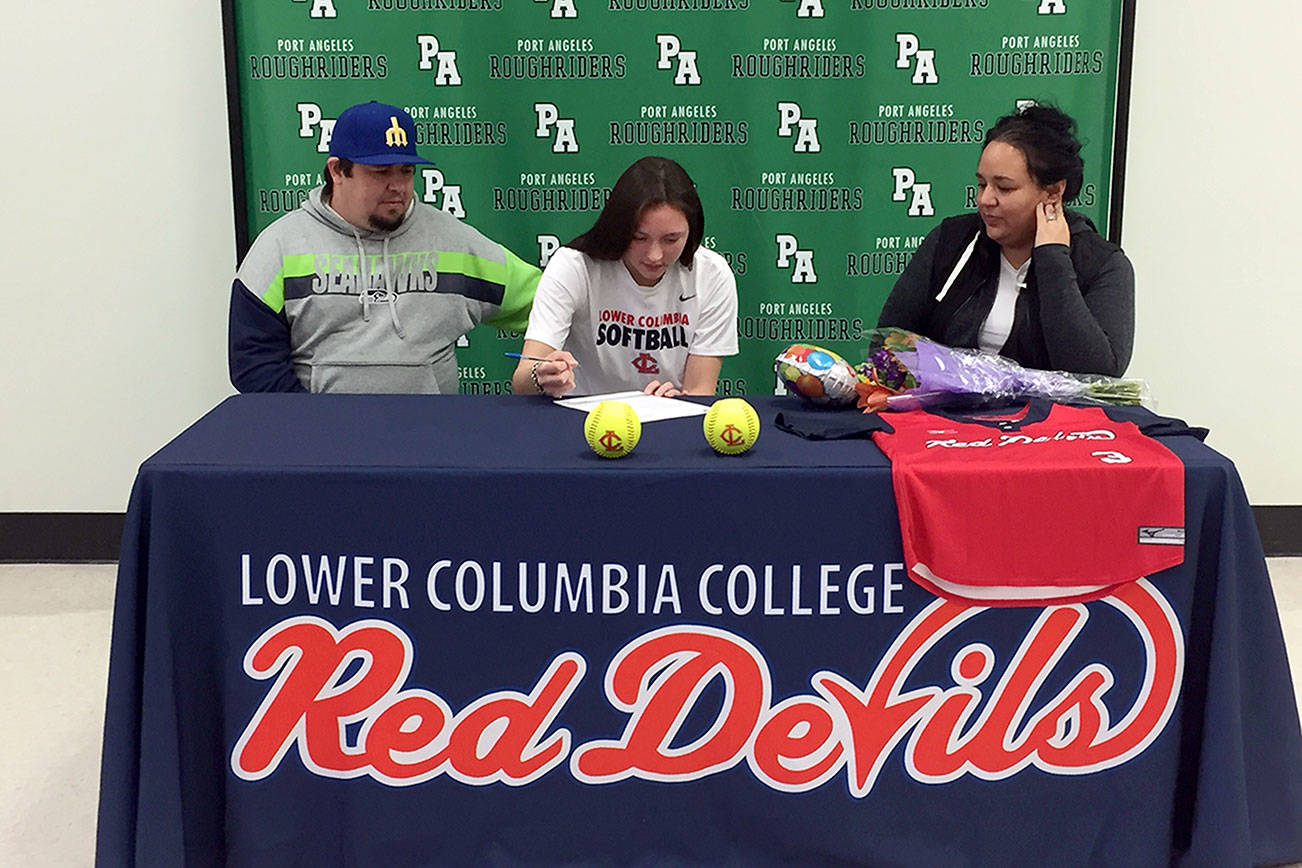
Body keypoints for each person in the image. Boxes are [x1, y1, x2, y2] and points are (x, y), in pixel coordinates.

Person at [229, 101, 540, 394]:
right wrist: (313, 424)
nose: (398, 187)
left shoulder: (453, 241)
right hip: (321, 432)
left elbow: (549, 302)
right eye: (381, 172)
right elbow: (253, 362)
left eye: (406, 171)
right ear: (337, 171)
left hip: (430, 430)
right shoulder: (281, 246)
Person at [877, 104, 1134, 377]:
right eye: (982, 184)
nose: (986, 199)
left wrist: (1052, 258)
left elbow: (1097, 375)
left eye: (1004, 188)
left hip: (1046, 407)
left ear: (1053, 192)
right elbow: (887, 345)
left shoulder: (1102, 265)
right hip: (942, 404)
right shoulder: (951, 241)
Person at [511, 156, 738, 398]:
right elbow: (521, 381)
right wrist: (541, 376)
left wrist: (678, 401)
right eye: (639, 238)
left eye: (671, 239)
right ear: (618, 228)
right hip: (582, 414)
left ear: (692, 232)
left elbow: (700, 392)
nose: (654, 255)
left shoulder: (711, 274)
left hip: (668, 415)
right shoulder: (573, 266)